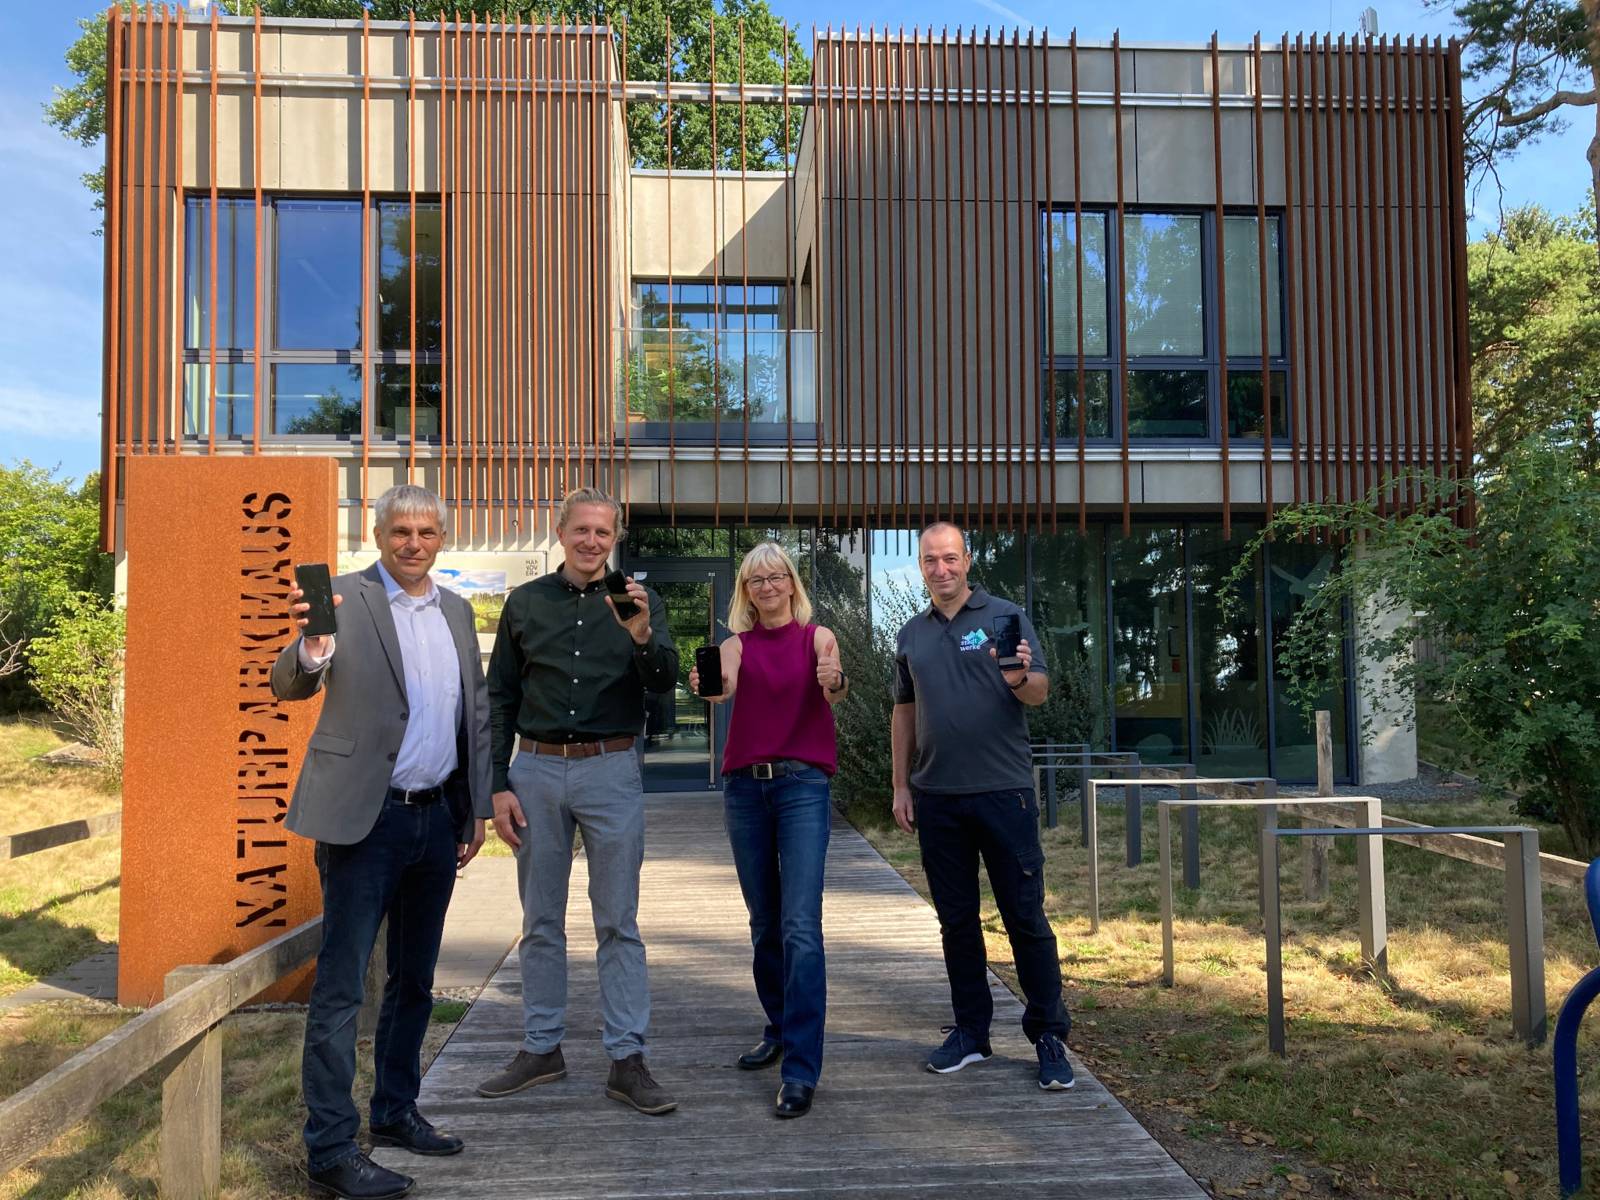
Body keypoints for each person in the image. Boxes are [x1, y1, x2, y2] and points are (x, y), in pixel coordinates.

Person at [273, 484, 491, 1200]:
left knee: (415, 981)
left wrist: (474, 811)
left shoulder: (457, 611)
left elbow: (474, 715)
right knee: (341, 989)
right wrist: (311, 649)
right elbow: (286, 684)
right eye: (401, 531)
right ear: (378, 535)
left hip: (436, 819)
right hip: (365, 822)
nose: (413, 543)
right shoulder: (342, 597)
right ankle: (331, 1149)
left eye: (427, 532)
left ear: (441, 539)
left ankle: (395, 1111)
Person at [477, 487, 680, 1115]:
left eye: (603, 532)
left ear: (614, 539)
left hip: (611, 769)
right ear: (561, 531)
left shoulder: (640, 602)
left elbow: (665, 681)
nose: (592, 541)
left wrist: (641, 635)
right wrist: (497, 785)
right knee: (540, 919)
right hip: (535, 771)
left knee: (618, 920)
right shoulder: (525, 603)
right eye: (582, 530)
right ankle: (542, 1047)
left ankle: (627, 1058)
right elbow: (500, 698)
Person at [890, 521, 1075, 1092]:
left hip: (1004, 794)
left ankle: (1048, 1036)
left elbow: (1039, 691)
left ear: (967, 560)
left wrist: (1018, 678)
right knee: (957, 923)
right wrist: (900, 786)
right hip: (937, 798)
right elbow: (903, 712)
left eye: (950, 558)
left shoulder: (1005, 617)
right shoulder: (910, 635)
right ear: (921, 567)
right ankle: (972, 1032)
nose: (940, 568)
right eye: (930, 560)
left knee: (1025, 918)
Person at [690, 541, 846, 1120]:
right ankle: (779, 1027)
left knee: (800, 926)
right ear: (746, 592)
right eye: (755, 580)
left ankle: (801, 1068)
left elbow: (834, 687)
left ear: (791, 583)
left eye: (776, 576)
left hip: (803, 787)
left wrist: (834, 678)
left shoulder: (818, 638)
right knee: (765, 923)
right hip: (745, 791)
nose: (767, 586)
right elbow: (722, 688)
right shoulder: (736, 645)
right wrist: (707, 684)